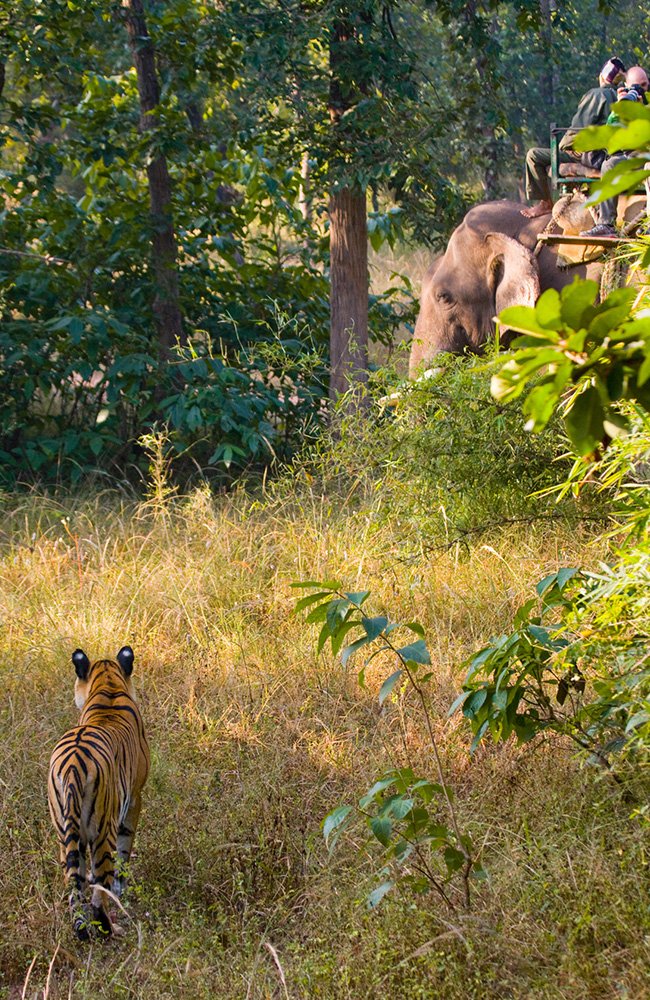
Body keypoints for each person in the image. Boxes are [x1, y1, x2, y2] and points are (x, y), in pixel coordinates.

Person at [521, 57, 625, 219]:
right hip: (604, 155)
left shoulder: (597, 94)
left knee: (533, 155)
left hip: (583, 153)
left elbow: (578, 127)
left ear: (602, 77)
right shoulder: (621, 98)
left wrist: (564, 146)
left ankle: (545, 203)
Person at [580, 65, 650, 237]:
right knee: (610, 165)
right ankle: (606, 225)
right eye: (635, 86)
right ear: (626, 86)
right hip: (632, 156)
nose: (640, 90)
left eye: (644, 85)